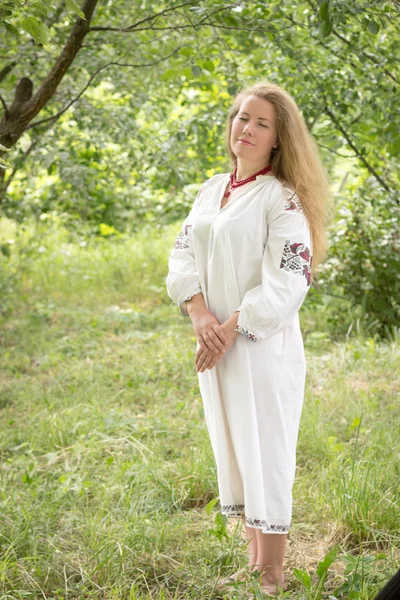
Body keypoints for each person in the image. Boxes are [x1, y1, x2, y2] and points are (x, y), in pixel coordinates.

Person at [166, 81, 331, 595]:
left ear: (279, 139)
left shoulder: (282, 200)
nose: (247, 128)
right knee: (234, 443)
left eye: (262, 123)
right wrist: (199, 317)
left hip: (260, 346)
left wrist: (230, 327)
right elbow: (183, 255)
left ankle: (274, 571)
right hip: (215, 342)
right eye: (242, 117)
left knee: (266, 446)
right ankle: (254, 556)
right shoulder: (211, 189)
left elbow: (288, 279)